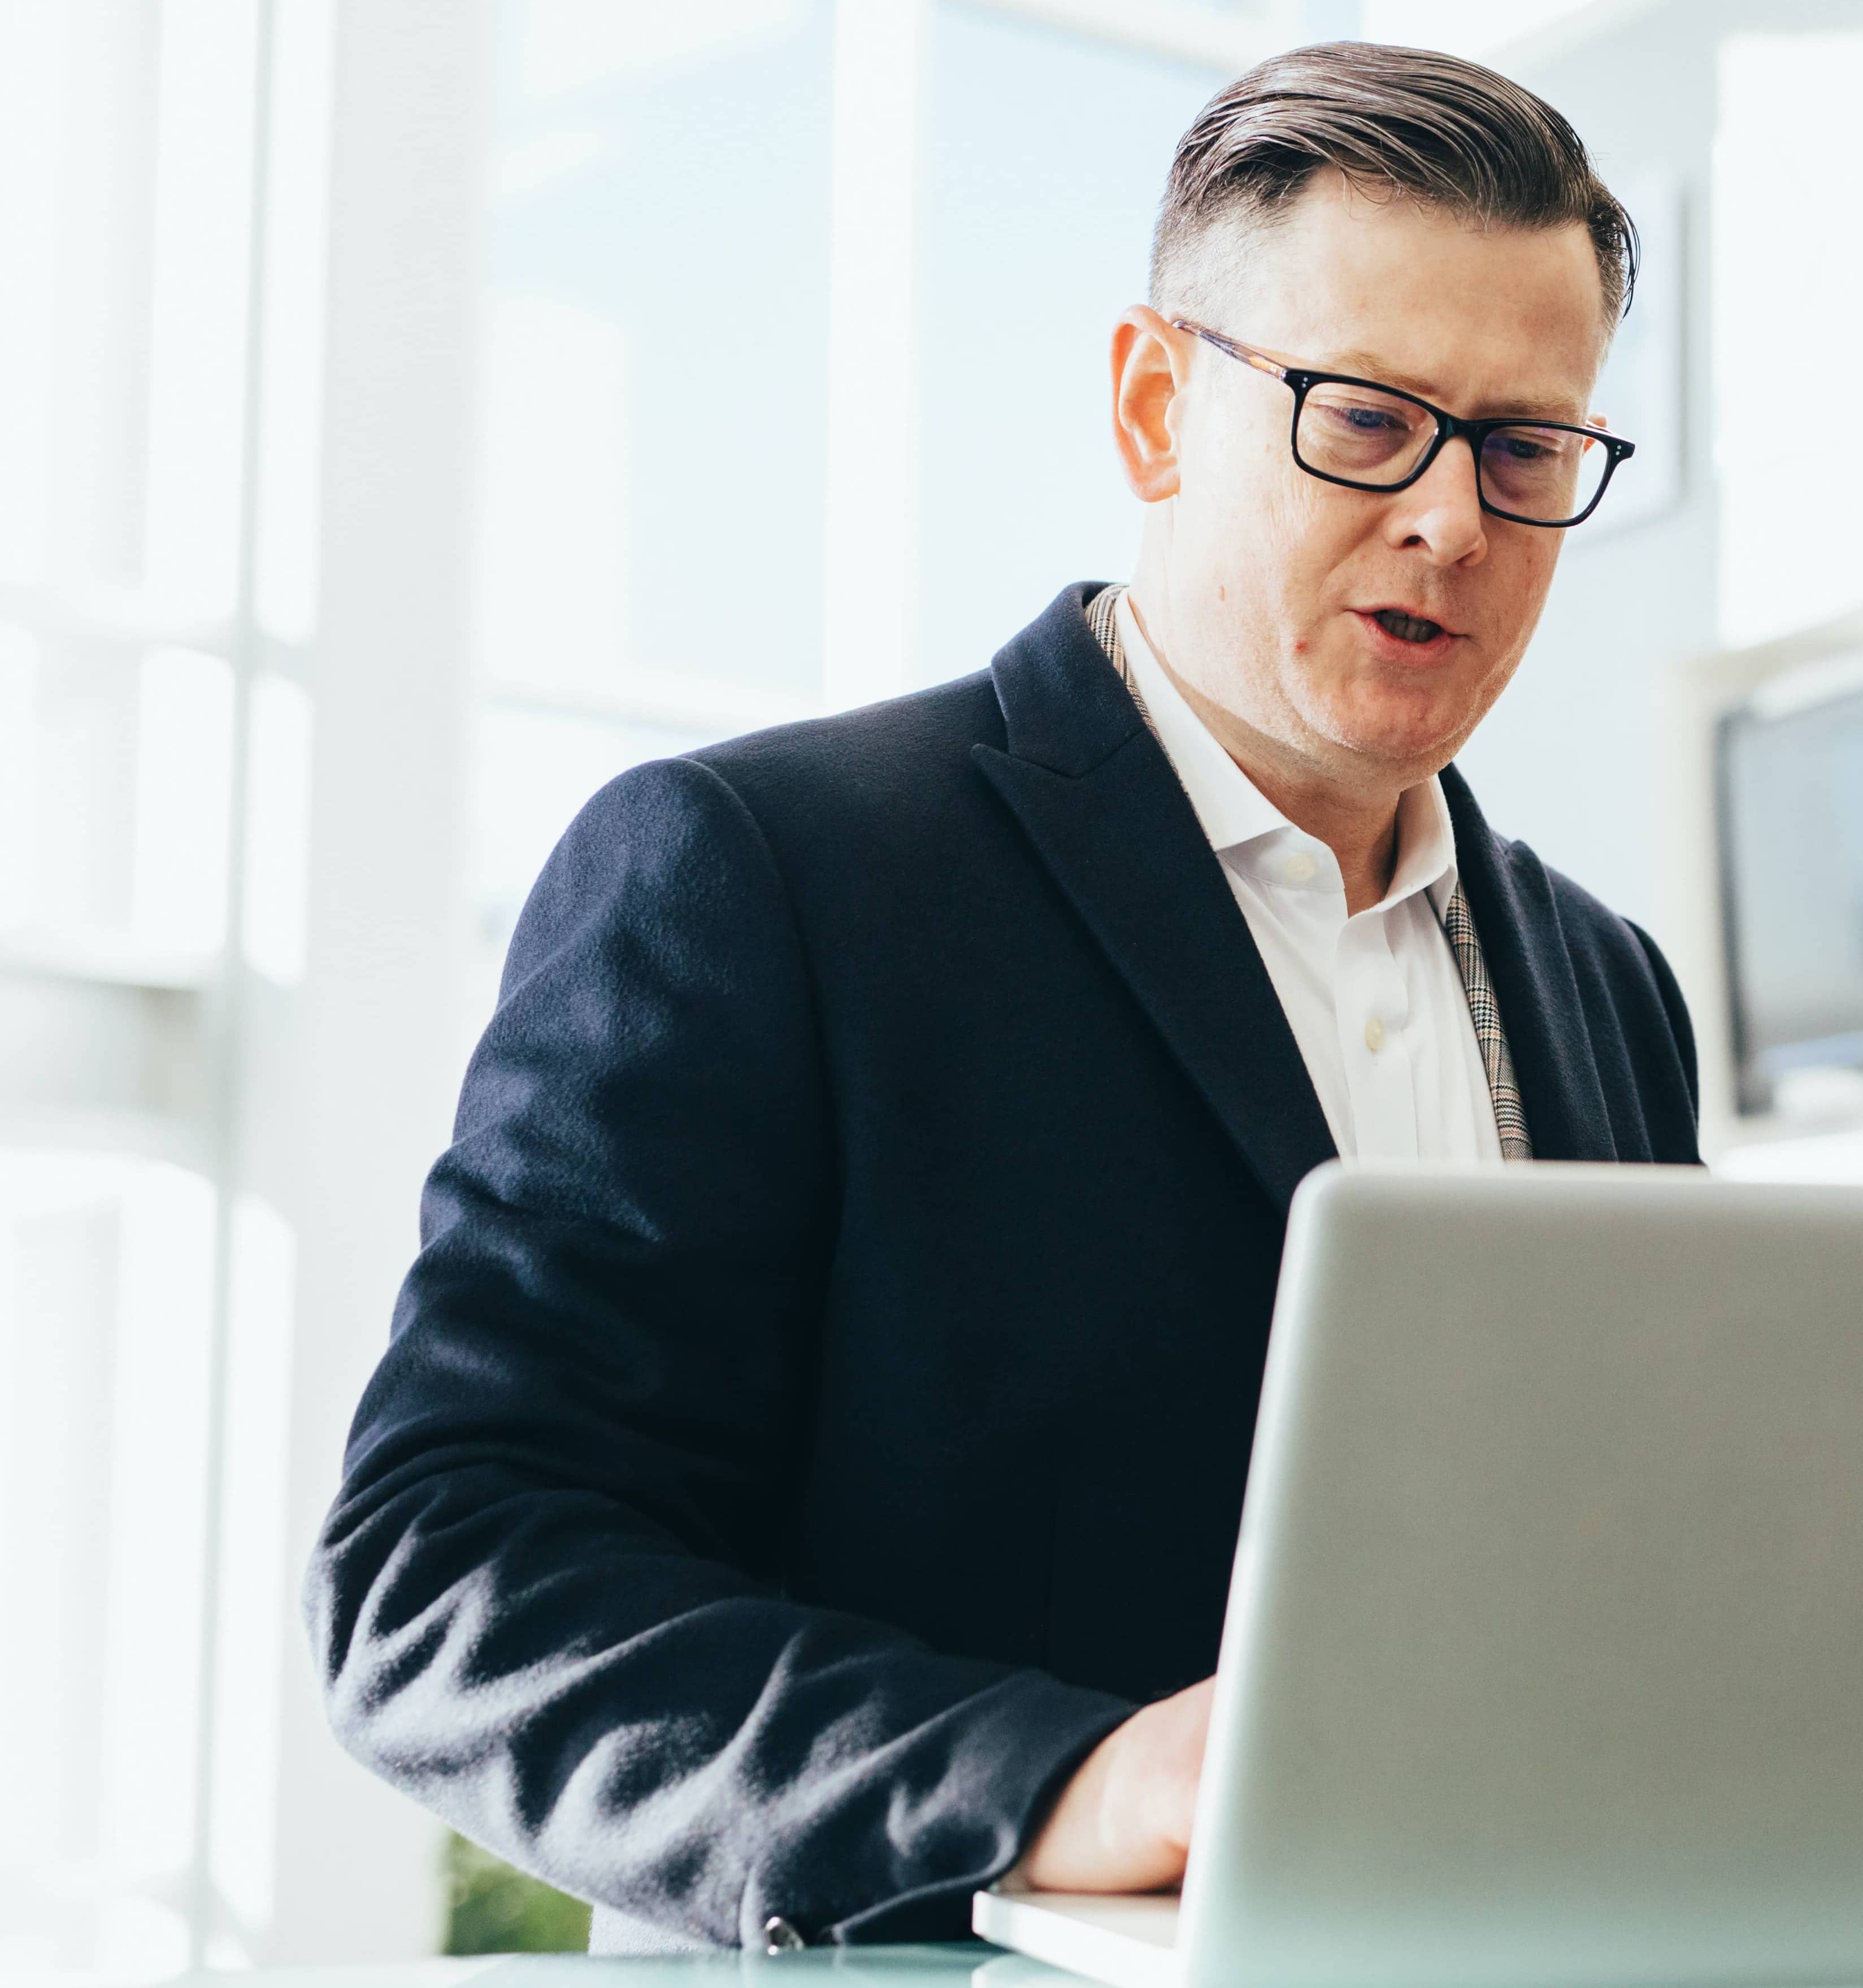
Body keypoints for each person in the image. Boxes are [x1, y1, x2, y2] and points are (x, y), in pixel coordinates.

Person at [309, 45, 1698, 1951]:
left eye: (1526, 449)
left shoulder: (1606, 987)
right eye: (1367, 420)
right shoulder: (758, 873)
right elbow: (447, 1590)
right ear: (1155, 409)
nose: (1453, 521)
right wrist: (1063, 1784)